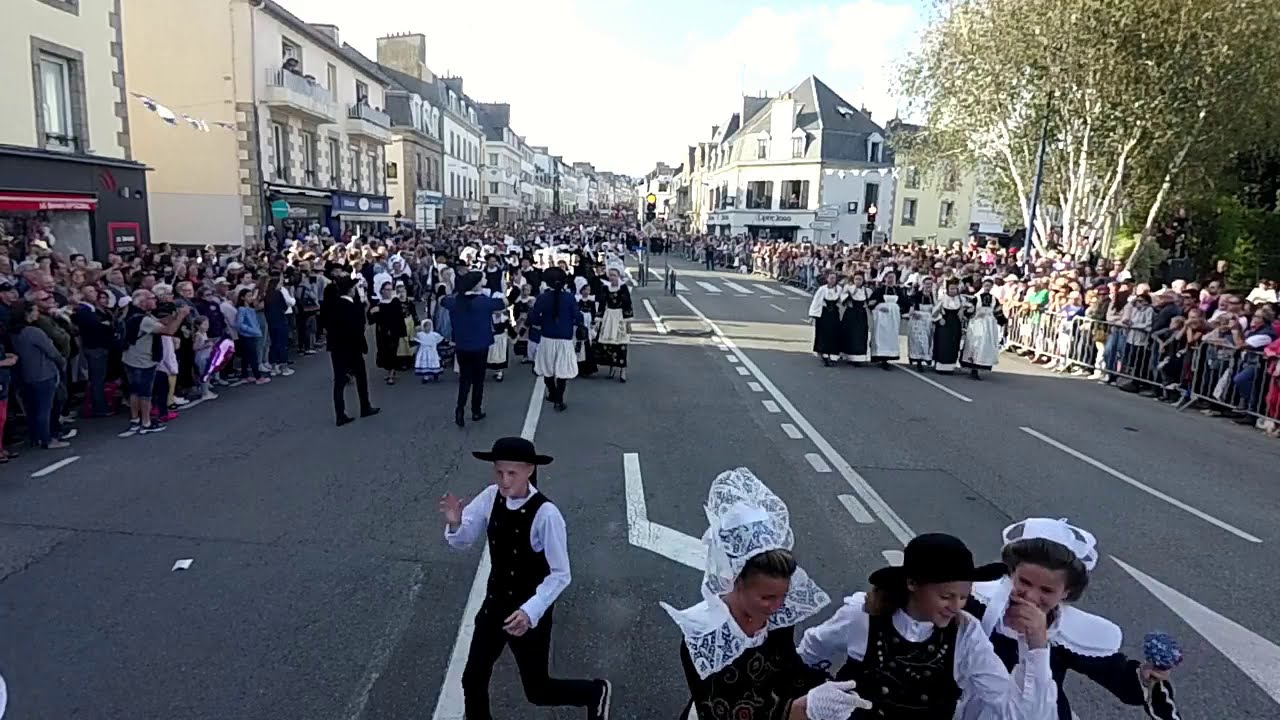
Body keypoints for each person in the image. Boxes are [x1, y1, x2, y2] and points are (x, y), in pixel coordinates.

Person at [661, 467, 872, 720]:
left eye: (782, 595)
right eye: (766, 597)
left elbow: (788, 668)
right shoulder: (704, 635)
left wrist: (825, 686)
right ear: (736, 580)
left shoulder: (775, 618)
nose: (776, 606)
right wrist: (799, 710)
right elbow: (721, 710)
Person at [439, 437, 612, 720]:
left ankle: (594, 692)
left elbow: (560, 574)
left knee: (537, 691)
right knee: (473, 678)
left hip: (528, 613)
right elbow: (463, 540)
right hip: (495, 606)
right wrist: (455, 522)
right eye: (499, 472)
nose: (504, 481)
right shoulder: (490, 497)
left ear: (529, 470)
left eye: (512, 473)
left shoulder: (546, 514)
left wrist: (530, 612)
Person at [798, 533, 1058, 720]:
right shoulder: (862, 616)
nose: (956, 606)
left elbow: (1018, 714)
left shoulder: (966, 633)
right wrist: (813, 698)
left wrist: (1035, 646)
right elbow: (810, 652)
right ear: (912, 584)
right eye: (946, 596)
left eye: (963, 597)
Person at [967, 519, 1181, 720]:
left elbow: (1116, 675)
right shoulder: (975, 602)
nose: (1031, 596)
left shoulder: (1064, 631)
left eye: (1046, 590)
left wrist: (1144, 677)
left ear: (1066, 593)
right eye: (1024, 582)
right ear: (1012, 572)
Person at [441, 271, 507, 427]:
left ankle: (460, 410)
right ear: (476, 284)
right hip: (480, 345)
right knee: (478, 380)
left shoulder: (456, 302)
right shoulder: (483, 301)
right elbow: (504, 303)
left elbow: (443, 300)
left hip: (462, 345)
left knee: (465, 379)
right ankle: (476, 410)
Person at [529, 268, 585, 412]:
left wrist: (544, 321)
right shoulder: (569, 297)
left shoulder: (542, 298)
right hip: (565, 339)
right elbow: (578, 316)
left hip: (547, 337)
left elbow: (534, 318)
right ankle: (559, 400)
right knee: (562, 370)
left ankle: (552, 393)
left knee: (547, 369)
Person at [325, 276, 379, 426]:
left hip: (337, 349)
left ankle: (340, 414)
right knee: (361, 378)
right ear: (350, 290)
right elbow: (357, 328)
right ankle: (365, 406)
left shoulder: (334, 305)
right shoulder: (352, 307)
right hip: (352, 348)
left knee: (339, 382)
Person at [809, 272, 844, 367]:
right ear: (827, 279)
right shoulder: (822, 289)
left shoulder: (839, 289)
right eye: (831, 278)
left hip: (834, 314)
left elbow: (842, 300)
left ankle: (833, 354)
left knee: (834, 333)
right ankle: (824, 353)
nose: (832, 280)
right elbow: (816, 302)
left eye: (834, 278)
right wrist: (813, 315)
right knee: (824, 333)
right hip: (824, 314)